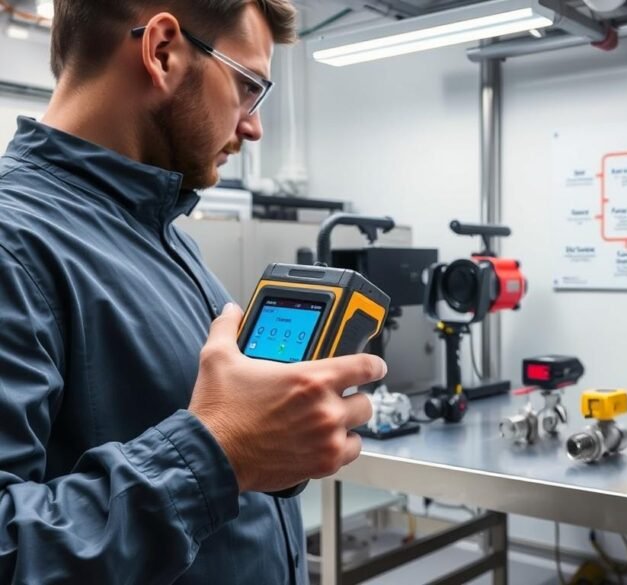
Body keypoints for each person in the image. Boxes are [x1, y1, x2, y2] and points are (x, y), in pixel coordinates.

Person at [0, 1, 382, 583]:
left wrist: (276, 437)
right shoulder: (13, 244)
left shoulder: (166, 237)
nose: (254, 125)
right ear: (162, 51)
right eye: (249, 85)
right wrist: (219, 453)